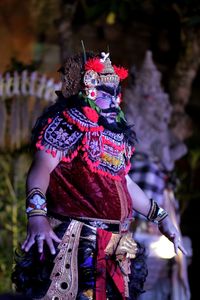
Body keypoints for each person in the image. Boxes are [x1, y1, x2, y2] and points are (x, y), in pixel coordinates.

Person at [12, 51, 187, 300]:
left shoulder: (118, 135)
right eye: (104, 94)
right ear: (88, 92)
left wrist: (161, 217)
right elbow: (41, 168)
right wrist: (37, 215)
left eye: (115, 95)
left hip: (118, 244)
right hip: (77, 240)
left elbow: (124, 183)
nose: (113, 101)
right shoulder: (69, 122)